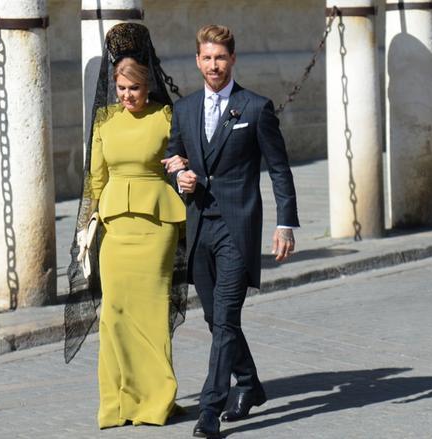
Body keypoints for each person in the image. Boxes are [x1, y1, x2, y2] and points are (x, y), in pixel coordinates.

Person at [163, 24, 300, 438]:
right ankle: (251, 384)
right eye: (207, 58)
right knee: (214, 318)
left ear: (233, 59)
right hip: (199, 225)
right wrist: (180, 176)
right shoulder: (184, 110)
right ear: (198, 60)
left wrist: (285, 223)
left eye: (220, 58)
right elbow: (174, 156)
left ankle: (209, 408)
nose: (213, 65)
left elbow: (278, 168)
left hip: (238, 230)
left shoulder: (255, 108)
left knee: (224, 319)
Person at [64, 22, 187, 429]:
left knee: (151, 311)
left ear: (147, 84)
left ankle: (155, 402)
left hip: (157, 228)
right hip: (114, 228)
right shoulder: (103, 120)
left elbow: (181, 162)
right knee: (114, 313)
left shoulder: (167, 115)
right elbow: (95, 180)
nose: (126, 96)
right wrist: (85, 228)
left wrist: (184, 169)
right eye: (120, 88)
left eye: (133, 88)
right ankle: (117, 404)